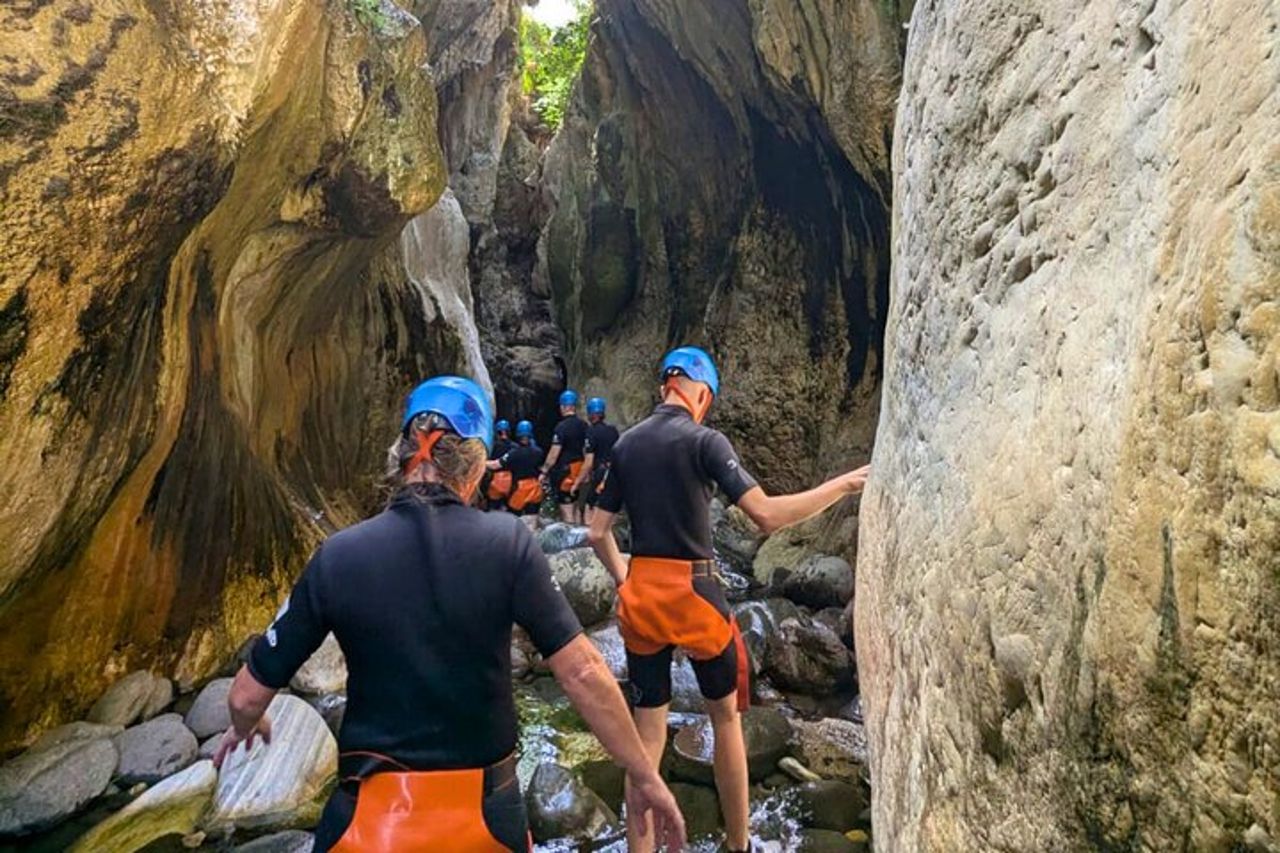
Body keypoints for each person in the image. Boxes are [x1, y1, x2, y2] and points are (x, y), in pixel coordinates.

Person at [213, 376, 685, 852]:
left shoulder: (338, 555)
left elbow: (247, 695)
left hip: (369, 823)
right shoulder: (508, 544)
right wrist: (644, 776)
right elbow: (583, 672)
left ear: (399, 456)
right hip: (482, 816)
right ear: (477, 465)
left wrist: (246, 724)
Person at [586, 347, 870, 853]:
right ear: (701, 393)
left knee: (646, 738)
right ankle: (738, 845)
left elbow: (596, 531)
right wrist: (842, 484)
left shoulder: (626, 445)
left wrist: (624, 575)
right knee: (725, 722)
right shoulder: (705, 440)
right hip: (696, 594)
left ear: (663, 389)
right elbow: (766, 515)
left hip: (643, 598)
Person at [540, 390, 588, 525]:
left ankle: (571, 542)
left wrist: (544, 471)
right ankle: (581, 538)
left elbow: (554, 453)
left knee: (566, 508)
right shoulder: (584, 425)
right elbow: (587, 450)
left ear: (563, 407)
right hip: (579, 469)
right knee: (577, 506)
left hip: (565, 472)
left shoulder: (561, 427)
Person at [488, 420, 545, 529]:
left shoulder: (514, 453)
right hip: (535, 489)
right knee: (532, 521)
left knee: (513, 520)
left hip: (520, 489)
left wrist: (481, 462)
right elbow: (542, 468)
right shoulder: (538, 452)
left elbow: (496, 465)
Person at [574, 396, 619, 526]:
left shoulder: (591, 432)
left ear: (590, 414)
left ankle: (590, 540)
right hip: (613, 473)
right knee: (609, 507)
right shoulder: (613, 431)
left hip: (600, 472)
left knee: (590, 507)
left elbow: (589, 461)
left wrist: (577, 482)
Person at [483, 419, 515, 510]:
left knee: (492, 506)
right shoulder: (514, 447)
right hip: (511, 481)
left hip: (494, 480)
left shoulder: (491, 446)